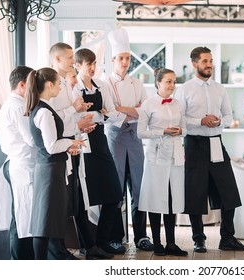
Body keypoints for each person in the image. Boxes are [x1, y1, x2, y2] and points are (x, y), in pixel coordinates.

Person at [175, 46, 244, 253]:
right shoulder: (184, 89)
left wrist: (218, 122)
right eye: (205, 61)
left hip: (216, 142)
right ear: (195, 64)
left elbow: (228, 115)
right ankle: (198, 239)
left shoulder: (220, 88)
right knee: (195, 193)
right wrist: (201, 120)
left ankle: (227, 238)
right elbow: (180, 119)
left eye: (211, 61)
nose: (209, 65)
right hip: (194, 144)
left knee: (229, 192)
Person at [24, 67, 85, 259]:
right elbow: (51, 146)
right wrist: (71, 142)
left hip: (50, 169)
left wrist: (67, 147)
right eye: (59, 83)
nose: (61, 87)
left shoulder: (40, 108)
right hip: (50, 171)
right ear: (50, 85)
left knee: (47, 221)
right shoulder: (44, 112)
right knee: (44, 223)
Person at [103, 27, 153, 252]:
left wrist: (122, 109)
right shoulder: (104, 84)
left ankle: (141, 236)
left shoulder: (137, 83)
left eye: (128, 58)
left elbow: (144, 112)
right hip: (114, 139)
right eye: (121, 58)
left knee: (139, 189)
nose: (125, 62)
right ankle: (116, 237)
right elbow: (109, 113)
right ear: (113, 59)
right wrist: (131, 111)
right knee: (116, 189)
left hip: (134, 139)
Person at [48, 42, 100, 260]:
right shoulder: (50, 84)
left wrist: (81, 123)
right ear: (57, 59)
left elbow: (68, 116)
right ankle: (58, 251)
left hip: (72, 144)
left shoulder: (65, 84)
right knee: (60, 203)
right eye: (69, 57)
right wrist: (75, 116)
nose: (72, 61)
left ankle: (85, 245)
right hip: (59, 148)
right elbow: (51, 118)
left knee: (74, 198)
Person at [73, 48, 125, 257]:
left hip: (100, 139)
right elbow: (74, 115)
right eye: (88, 64)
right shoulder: (72, 87)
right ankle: (89, 245)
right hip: (82, 142)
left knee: (114, 192)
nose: (93, 68)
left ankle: (103, 240)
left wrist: (104, 114)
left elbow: (111, 112)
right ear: (78, 65)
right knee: (85, 198)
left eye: (95, 63)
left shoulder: (102, 85)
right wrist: (93, 113)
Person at [137, 68, 188, 256]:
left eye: (174, 82)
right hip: (156, 156)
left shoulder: (178, 104)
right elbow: (140, 132)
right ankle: (157, 242)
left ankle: (172, 243)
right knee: (156, 198)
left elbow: (186, 128)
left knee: (172, 198)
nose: (172, 85)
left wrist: (179, 131)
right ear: (158, 83)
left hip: (175, 155)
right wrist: (162, 132)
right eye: (168, 81)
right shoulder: (148, 105)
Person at [0, 66, 35, 260]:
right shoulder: (18, 105)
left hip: (18, 164)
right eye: (32, 84)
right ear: (22, 85)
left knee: (21, 217)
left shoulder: (14, 103)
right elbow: (31, 139)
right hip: (22, 166)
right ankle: (21, 263)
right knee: (23, 219)